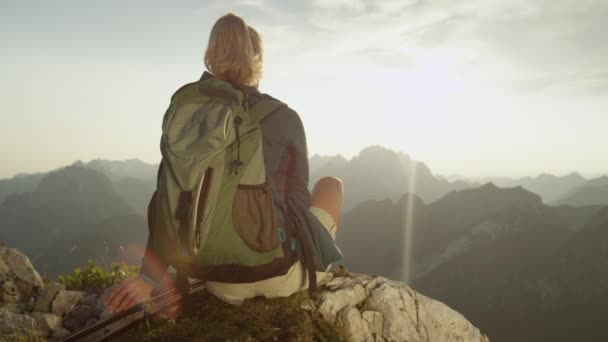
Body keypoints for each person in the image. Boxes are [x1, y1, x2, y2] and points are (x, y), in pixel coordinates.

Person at [106, 13, 344, 313]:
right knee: (331, 185)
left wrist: (148, 276)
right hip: (278, 275)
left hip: (218, 281)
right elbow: (297, 205)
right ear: (256, 59)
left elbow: (166, 198)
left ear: (211, 54)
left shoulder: (187, 113)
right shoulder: (283, 117)